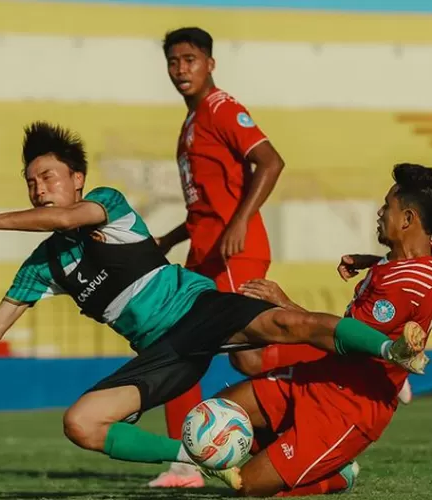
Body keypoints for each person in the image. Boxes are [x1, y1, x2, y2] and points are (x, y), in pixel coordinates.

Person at [0, 123, 429, 476]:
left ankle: (390, 353)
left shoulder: (104, 204)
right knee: (81, 423)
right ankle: (209, 461)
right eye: (31, 182)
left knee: (287, 324)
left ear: (76, 179)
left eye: (48, 177)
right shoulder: (44, 264)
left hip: (198, 308)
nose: (39, 189)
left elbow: (66, 218)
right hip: (163, 353)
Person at [211, 163, 432, 496]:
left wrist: (284, 304)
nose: (380, 213)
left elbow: (340, 338)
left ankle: (337, 475)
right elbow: (403, 261)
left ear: (408, 219)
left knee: (246, 487)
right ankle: (296, 453)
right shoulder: (419, 256)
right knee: (216, 413)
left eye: (387, 206)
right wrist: (370, 260)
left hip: (349, 409)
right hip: (323, 376)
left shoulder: (404, 287)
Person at [151, 26, 287, 487]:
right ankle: (185, 461)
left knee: (205, 348)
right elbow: (204, 206)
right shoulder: (191, 122)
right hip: (205, 254)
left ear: (210, 63)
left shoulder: (221, 108)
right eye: (173, 61)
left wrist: (240, 222)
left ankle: (357, 359)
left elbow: (271, 161)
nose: (180, 69)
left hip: (234, 252)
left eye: (190, 59)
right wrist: (168, 240)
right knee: (231, 355)